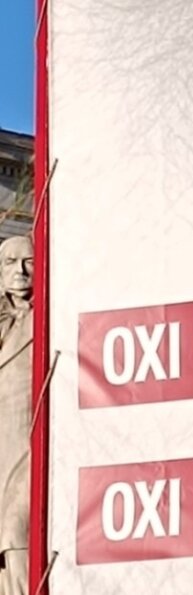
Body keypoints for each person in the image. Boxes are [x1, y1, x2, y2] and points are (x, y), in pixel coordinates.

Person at [0, 235, 33, 595]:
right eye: (10, 263)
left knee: (16, 531)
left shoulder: (49, 317)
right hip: (3, 450)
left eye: (29, 261)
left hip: (30, 446)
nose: (20, 271)